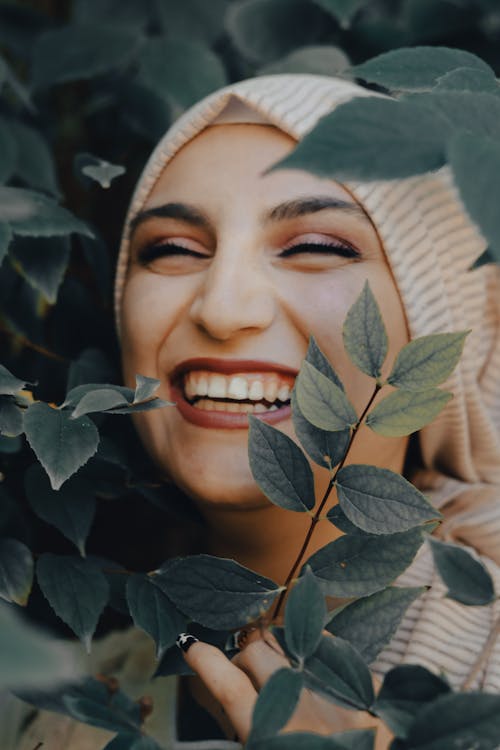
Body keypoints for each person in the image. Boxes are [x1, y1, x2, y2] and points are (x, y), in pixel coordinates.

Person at [5, 73, 500, 749]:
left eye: (317, 247)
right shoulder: (59, 707)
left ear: (445, 324)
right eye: (173, 250)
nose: (221, 306)